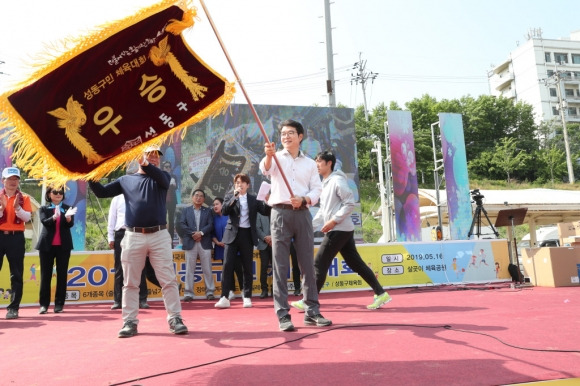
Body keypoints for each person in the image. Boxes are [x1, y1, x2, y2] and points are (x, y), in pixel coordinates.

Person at [89, 145, 187, 338]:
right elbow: (101, 192)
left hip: (159, 235)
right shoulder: (126, 180)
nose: (154, 158)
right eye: (149, 154)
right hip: (133, 235)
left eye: (156, 155)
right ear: (139, 158)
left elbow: (160, 178)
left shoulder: (163, 178)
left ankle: (175, 318)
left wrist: (145, 163)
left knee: (167, 280)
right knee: (131, 283)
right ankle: (130, 322)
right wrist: (89, 175)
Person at [291, 151, 392, 312]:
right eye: (316, 161)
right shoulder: (325, 183)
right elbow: (324, 211)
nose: (316, 165)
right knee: (355, 263)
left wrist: (333, 221)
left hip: (339, 229)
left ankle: (309, 300)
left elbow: (349, 204)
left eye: (319, 161)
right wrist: (309, 226)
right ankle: (380, 293)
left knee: (318, 264)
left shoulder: (337, 181)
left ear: (329, 163)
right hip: (342, 229)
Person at [260, 119, 330, 331]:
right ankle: (283, 315)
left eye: (291, 133)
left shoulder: (309, 163)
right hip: (280, 214)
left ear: (300, 137)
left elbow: (317, 190)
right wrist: (269, 154)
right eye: (283, 134)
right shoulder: (274, 158)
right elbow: (265, 169)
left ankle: (312, 312)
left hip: (302, 214)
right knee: (281, 266)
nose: (286, 137)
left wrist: (305, 199)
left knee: (307, 265)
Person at [214, 173, 269, 309]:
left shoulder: (253, 199)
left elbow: (265, 211)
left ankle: (247, 296)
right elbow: (225, 211)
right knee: (227, 266)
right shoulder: (230, 196)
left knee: (247, 267)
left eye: (242, 182)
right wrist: (234, 197)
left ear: (248, 185)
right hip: (232, 234)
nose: (240, 184)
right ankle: (224, 297)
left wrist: (267, 201)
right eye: (237, 182)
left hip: (247, 234)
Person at [108, 189, 152, 311]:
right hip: (121, 233)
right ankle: (118, 300)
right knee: (119, 268)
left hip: (138, 232)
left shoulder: (142, 196)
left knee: (140, 267)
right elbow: (112, 217)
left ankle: (142, 299)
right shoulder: (117, 198)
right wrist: (110, 237)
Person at [36, 186, 76, 314]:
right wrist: (54, 217)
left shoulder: (68, 208)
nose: (58, 194)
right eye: (55, 192)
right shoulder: (44, 208)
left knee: (62, 275)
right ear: (49, 194)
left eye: (61, 192)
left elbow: (70, 225)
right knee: (45, 275)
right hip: (47, 246)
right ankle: (44, 305)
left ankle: (59, 304)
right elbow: (45, 222)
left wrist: (69, 219)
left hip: (63, 247)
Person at [0, 167, 32, 320]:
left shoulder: (24, 198)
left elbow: (27, 218)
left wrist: (17, 208)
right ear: (3, 181)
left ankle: (13, 308)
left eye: (15, 179)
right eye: (9, 179)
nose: (13, 182)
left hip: (16, 237)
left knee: (16, 274)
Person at [178, 189, 215, 301]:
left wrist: (201, 233)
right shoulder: (186, 210)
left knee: (207, 268)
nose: (198, 198)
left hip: (204, 242)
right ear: (192, 197)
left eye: (201, 196)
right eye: (196, 195)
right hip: (190, 242)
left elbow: (210, 224)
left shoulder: (208, 211)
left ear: (204, 199)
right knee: (189, 269)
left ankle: (210, 292)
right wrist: (193, 234)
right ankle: (188, 293)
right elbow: (182, 224)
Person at [211, 197, 243, 301]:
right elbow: (212, 233)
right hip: (221, 248)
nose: (215, 206)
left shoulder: (230, 216)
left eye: (217, 204)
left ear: (222, 205)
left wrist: (228, 241)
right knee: (227, 271)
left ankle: (244, 291)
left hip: (233, 247)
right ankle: (230, 291)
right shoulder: (214, 218)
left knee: (239, 269)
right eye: (214, 205)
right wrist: (217, 242)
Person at [256, 211, 272, 298]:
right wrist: (265, 238)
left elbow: (280, 227)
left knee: (277, 268)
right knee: (264, 267)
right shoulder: (259, 213)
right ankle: (264, 290)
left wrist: (272, 238)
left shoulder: (276, 211)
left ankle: (275, 290)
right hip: (263, 244)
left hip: (275, 244)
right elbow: (257, 228)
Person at [162, 160, 178, 243]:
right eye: (166, 167)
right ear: (163, 168)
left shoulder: (174, 176)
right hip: (163, 201)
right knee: (163, 219)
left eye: (169, 167)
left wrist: (174, 184)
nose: (168, 168)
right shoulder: (161, 176)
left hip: (172, 201)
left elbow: (176, 187)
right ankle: (163, 238)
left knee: (171, 220)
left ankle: (171, 238)